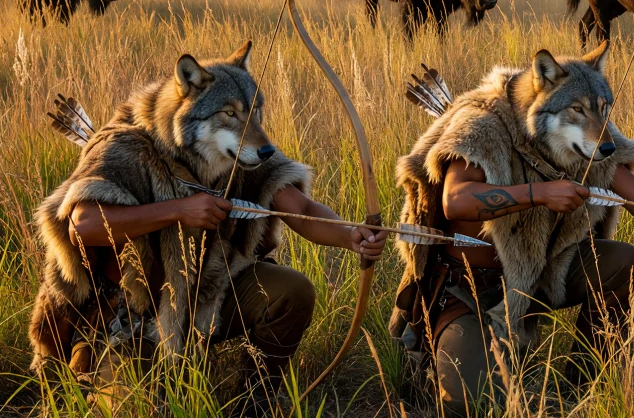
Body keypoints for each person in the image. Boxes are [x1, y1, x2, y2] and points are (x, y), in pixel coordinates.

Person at [389, 43, 634, 418]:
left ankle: (587, 382)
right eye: (579, 112)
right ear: (542, 82)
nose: (598, 129)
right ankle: (423, 357)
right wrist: (539, 194)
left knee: (625, 263)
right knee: (471, 406)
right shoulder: (485, 121)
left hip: (544, 275)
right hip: (469, 288)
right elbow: (455, 201)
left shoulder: (596, 143)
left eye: (600, 110)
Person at [27, 42, 385, 386]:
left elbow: (303, 210)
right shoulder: (125, 147)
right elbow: (83, 226)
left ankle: (256, 406)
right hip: (132, 319)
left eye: (252, 113)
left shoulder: (244, 155)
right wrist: (179, 211)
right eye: (230, 115)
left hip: (208, 299)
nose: (255, 135)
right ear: (188, 92)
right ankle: (96, 360)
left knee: (292, 291)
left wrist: (350, 235)